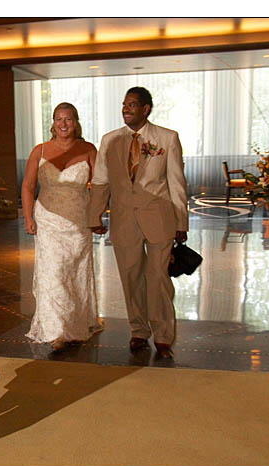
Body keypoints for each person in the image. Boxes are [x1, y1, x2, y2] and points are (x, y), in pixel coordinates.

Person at [87, 87, 188, 359]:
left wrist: (182, 221)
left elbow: (177, 183)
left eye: (132, 105)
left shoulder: (167, 138)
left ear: (146, 109)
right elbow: (100, 181)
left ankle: (164, 335)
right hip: (123, 219)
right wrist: (94, 215)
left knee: (158, 279)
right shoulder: (110, 140)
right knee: (131, 278)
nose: (125, 109)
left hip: (160, 218)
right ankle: (139, 331)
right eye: (123, 104)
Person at [21, 102, 101, 351]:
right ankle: (57, 331)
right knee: (53, 274)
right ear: (53, 123)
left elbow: (99, 185)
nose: (64, 124)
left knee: (74, 274)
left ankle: (75, 325)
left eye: (68, 119)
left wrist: (97, 216)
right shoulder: (40, 150)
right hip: (48, 221)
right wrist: (28, 217)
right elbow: (28, 186)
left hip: (79, 222)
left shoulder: (88, 149)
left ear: (76, 122)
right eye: (59, 119)